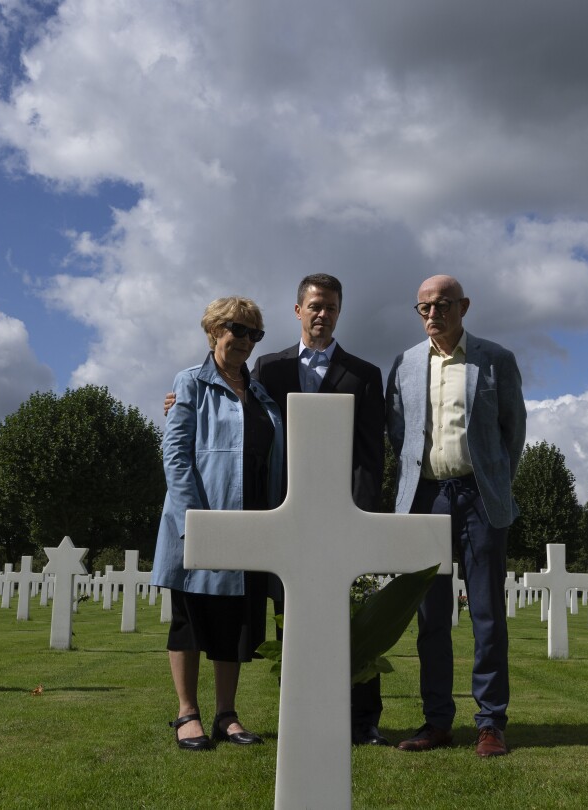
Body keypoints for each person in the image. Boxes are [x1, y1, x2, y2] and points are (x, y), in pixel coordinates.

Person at [385, 275, 525, 758]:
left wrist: (493, 481)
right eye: (423, 307)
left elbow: (513, 433)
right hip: (426, 498)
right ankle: (437, 721)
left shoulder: (495, 359)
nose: (432, 315)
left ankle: (490, 723)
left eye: (442, 305)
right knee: (430, 619)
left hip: (480, 498)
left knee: (487, 613)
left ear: (463, 306)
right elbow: (399, 432)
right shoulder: (404, 364)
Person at [251, 273, 389, 746]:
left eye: (330, 306)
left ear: (338, 312)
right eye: (313, 305)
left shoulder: (364, 374)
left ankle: (363, 719)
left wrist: (360, 514)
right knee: (293, 616)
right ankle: (302, 714)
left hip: (343, 513)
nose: (321, 314)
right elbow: (248, 430)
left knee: (355, 617)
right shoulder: (268, 369)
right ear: (297, 311)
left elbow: (371, 455)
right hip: (286, 511)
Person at [151, 296, 285, 751]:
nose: (246, 340)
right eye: (237, 330)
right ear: (213, 331)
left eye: (255, 333)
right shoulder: (189, 383)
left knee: (235, 622)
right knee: (189, 619)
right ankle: (187, 713)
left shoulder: (262, 393)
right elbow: (176, 457)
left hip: (250, 524)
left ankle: (226, 714)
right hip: (201, 518)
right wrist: (197, 523)